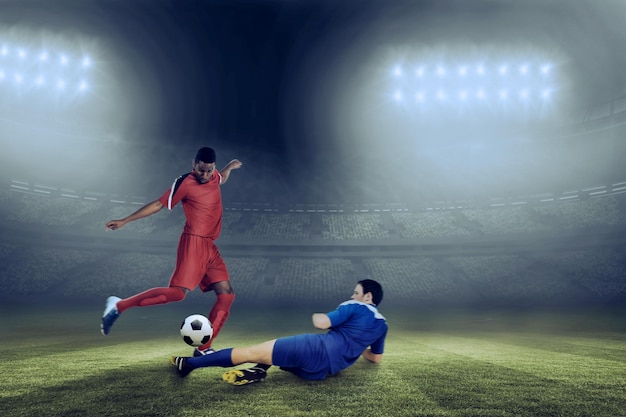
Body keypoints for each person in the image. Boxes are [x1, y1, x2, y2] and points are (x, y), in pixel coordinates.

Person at [102, 146, 242, 356]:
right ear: (193, 164)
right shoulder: (185, 182)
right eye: (201, 170)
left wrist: (230, 166)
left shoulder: (214, 176)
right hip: (193, 242)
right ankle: (118, 305)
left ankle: (204, 348)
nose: (205, 175)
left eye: (209, 170)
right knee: (177, 294)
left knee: (227, 296)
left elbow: (222, 177)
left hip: (210, 246)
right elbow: (159, 204)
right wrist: (125, 220)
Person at [171, 279, 387, 385]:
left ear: (368, 297)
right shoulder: (382, 326)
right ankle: (259, 371)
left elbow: (322, 322)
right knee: (272, 354)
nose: (353, 294)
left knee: (250, 352)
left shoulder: (356, 306)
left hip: (313, 349)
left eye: (356, 292)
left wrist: (315, 314)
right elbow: (375, 358)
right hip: (321, 372)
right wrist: (357, 347)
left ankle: (188, 365)